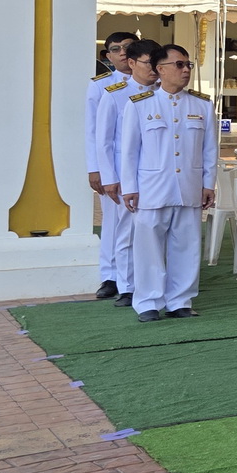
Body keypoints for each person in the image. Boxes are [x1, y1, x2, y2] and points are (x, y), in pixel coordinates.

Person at [117, 43, 216, 321]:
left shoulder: (202, 105)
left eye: (188, 65)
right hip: (151, 188)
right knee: (148, 247)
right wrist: (130, 188)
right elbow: (129, 150)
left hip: (188, 186)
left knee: (186, 245)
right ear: (160, 70)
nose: (185, 70)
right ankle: (148, 302)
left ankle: (180, 301)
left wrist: (208, 184)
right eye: (179, 65)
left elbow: (210, 150)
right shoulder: (139, 104)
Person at [103, 40, 164, 306]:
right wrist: (110, 178)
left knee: (157, 232)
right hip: (125, 174)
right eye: (148, 62)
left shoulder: (167, 93)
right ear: (132, 63)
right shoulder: (114, 93)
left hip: (157, 176)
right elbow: (104, 140)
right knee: (126, 231)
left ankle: (156, 283)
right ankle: (126, 286)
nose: (153, 69)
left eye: (157, 63)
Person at [87, 32, 140, 300]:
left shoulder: (151, 83)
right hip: (114, 166)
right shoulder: (101, 86)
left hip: (144, 168)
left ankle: (136, 275)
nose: (123, 53)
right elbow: (94, 131)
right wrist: (96, 168)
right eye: (116, 49)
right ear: (108, 56)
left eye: (128, 48)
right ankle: (110, 276)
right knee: (112, 223)